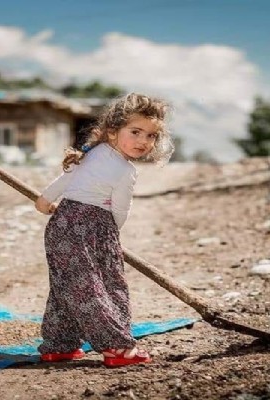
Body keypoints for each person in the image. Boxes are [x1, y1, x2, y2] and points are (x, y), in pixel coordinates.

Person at [34, 93, 174, 367]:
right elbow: (121, 210)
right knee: (101, 287)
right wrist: (111, 236)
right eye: (135, 132)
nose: (143, 141)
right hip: (94, 227)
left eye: (150, 136)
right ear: (112, 132)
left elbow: (66, 179)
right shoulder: (125, 170)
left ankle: (59, 345)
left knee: (67, 287)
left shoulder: (91, 153)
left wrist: (44, 201)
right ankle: (117, 346)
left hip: (61, 224)